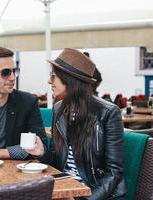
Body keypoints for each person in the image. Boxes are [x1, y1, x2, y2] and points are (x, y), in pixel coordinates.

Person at [41, 48, 126, 199]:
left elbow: (114, 172)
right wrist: (41, 152)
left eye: (53, 76)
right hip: (65, 188)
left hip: (96, 192)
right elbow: (56, 161)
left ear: (69, 80)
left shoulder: (108, 112)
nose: (49, 81)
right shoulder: (58, 108)